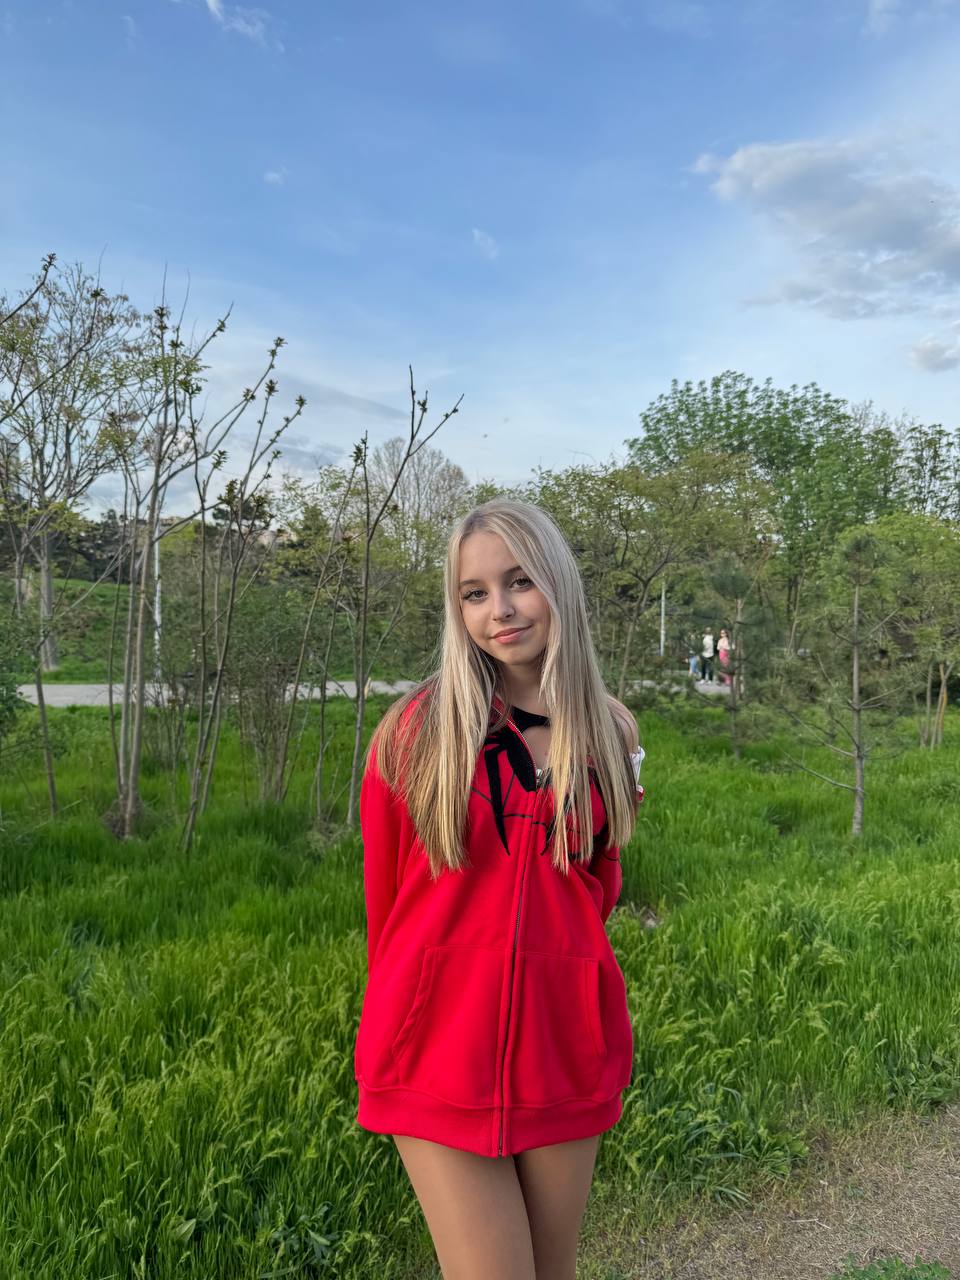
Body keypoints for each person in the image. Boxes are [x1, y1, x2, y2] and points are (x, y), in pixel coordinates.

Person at [354, 497, 646, 1280]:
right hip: (435, 1049)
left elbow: (597, 886)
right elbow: (387, 900)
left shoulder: (611, 731)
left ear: (559, 584)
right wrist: (407, 1010)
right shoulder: (418, 730)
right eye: (474, 594)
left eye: (519, 582)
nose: (501, 611)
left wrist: (575, 990)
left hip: (562, 1047)